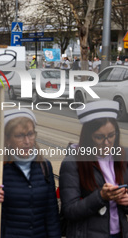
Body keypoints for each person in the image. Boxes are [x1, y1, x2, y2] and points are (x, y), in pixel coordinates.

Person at [0, 109, 61, 237]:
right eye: (19, 136)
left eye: (30, 134)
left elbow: (51, 215)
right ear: (7, 139)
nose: (27, 141)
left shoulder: (44, 166)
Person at [59, 100, 128, 238]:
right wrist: (101, 197)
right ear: (88, 136)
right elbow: (70, 210)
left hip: (119, 233)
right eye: (99, 137)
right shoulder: (73, 163)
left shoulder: (123, 156)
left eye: (111, 135)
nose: (107, 142)